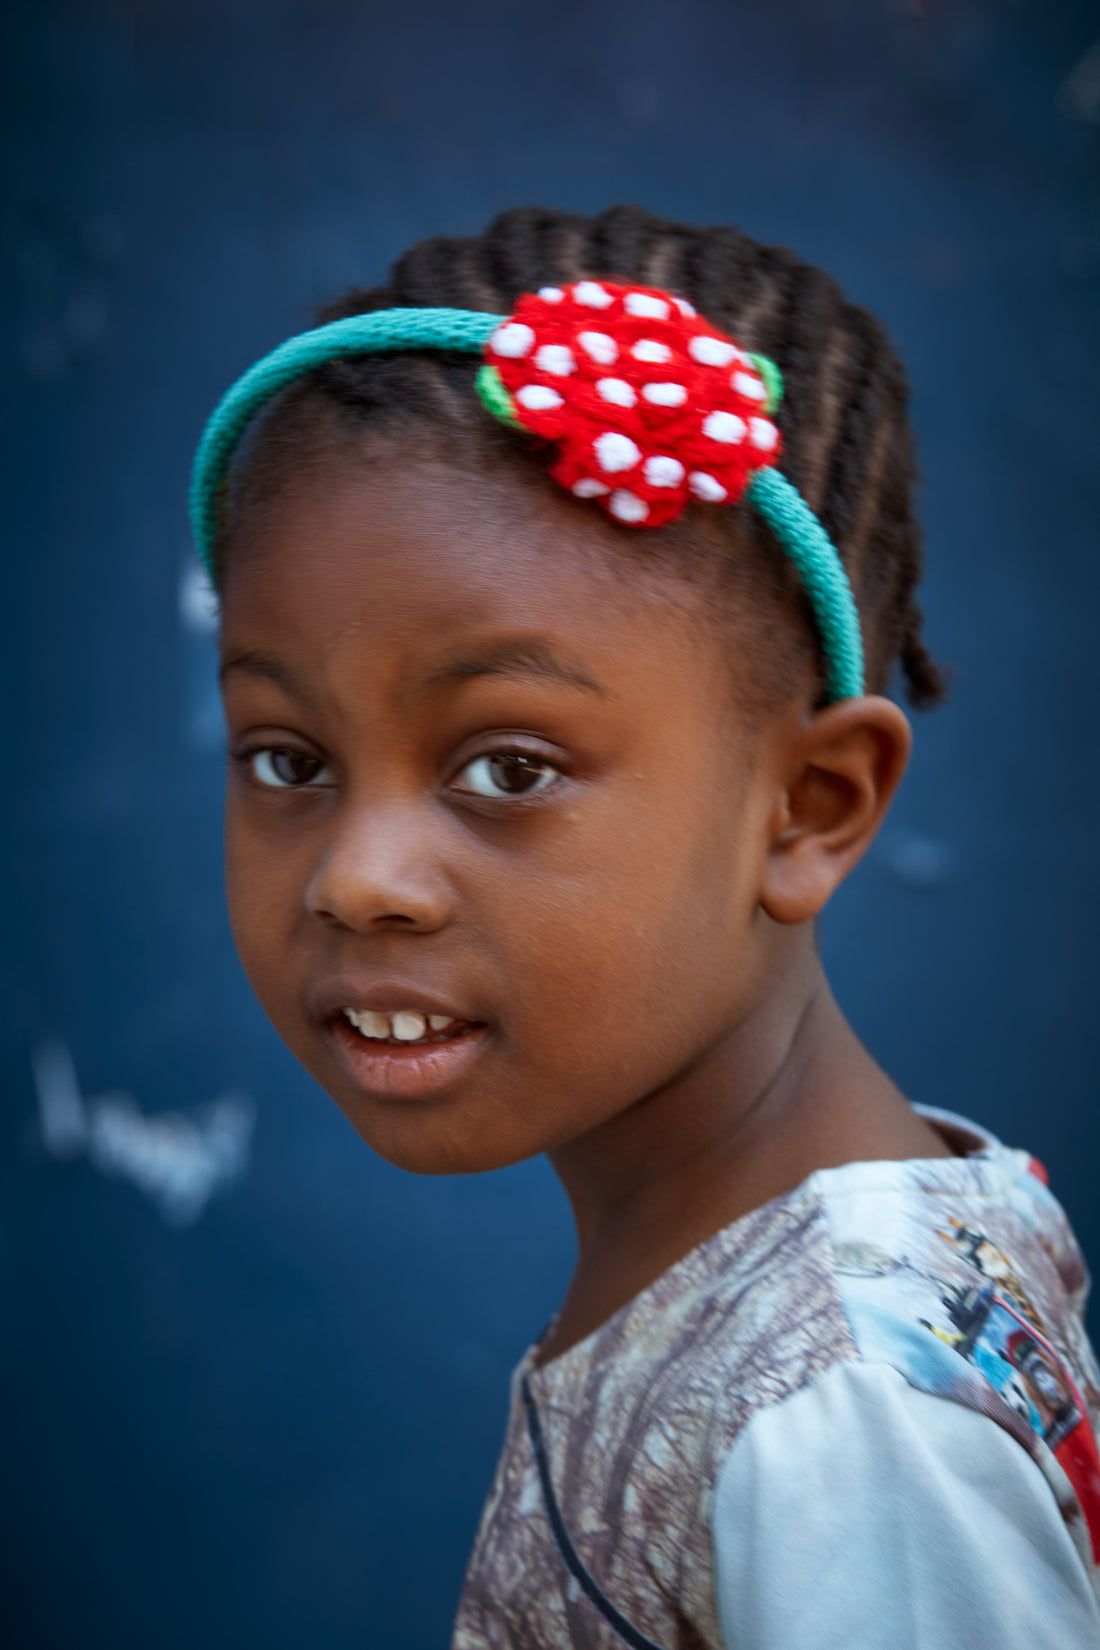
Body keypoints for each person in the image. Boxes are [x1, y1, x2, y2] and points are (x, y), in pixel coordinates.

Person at [193, 204, 1100, 1647]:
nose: (356, 877)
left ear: (807, 805)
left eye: (508, 767)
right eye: (287, 759)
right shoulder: (772, 1275)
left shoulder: (842, 1418)